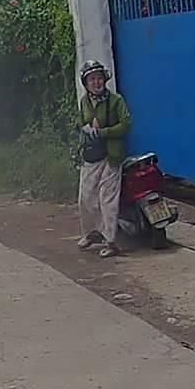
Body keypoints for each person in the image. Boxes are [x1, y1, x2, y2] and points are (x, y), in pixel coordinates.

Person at [76, 60, 132, 258]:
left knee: (106, 198)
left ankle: (111, 242)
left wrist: (104, 132)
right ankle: (93, 232)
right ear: (86, 83)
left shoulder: (116, 100)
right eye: (92, 79)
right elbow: (80, 120)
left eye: (99, 78)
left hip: (112, 155)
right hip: (92, 155)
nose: (96, 82)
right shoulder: (85, 101)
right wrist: (84, 127)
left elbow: (126, 124)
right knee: (85, 197)